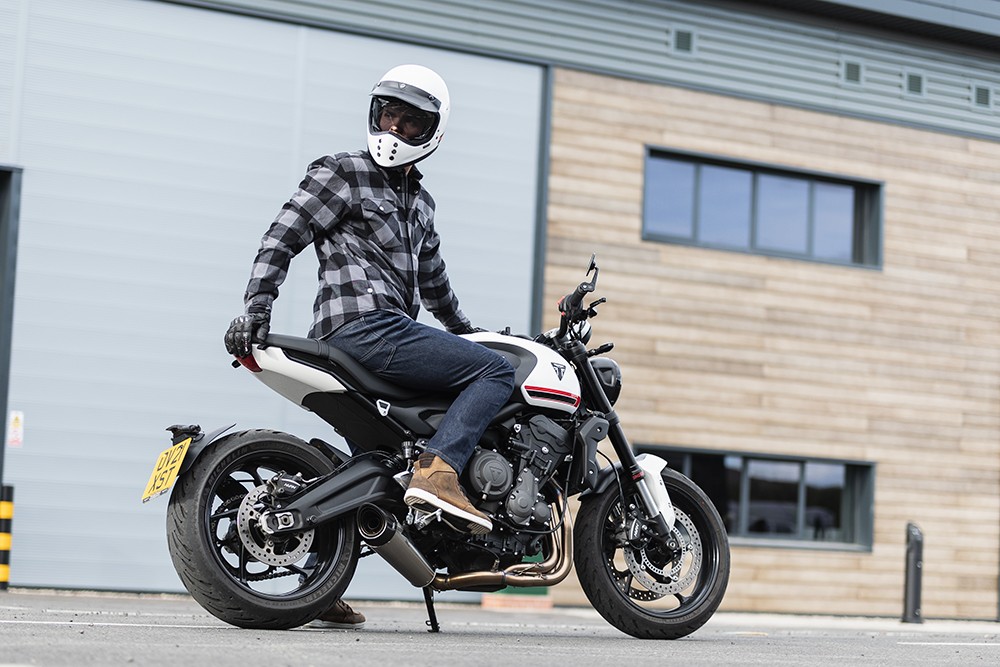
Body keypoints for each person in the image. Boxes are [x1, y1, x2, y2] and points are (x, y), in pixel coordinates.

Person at [223, 64, 516, 629]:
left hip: (378, 343)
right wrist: (257, 307)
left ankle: (315, 579)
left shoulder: (421, 207)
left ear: (431, 132)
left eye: (410, 122)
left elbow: (436, 287)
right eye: (389, 114)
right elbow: (281, 236)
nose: (395, 129)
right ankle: (441, 472)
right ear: (373, 112)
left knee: (377, 460)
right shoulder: (342, 172)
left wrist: (470, 334)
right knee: (495, 374)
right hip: (366, 330)